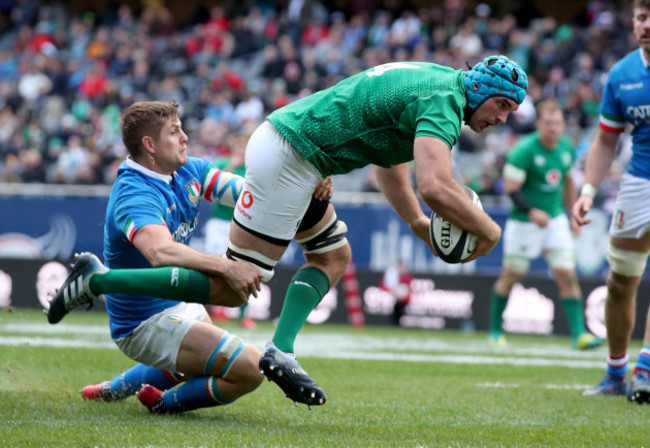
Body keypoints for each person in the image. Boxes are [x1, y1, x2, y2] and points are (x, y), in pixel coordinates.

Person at [224, 55, 528, 407]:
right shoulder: (444, 100)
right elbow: (435, 186)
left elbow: (388, 159)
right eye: (501, 105)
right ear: (479, 89)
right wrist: (491, 232)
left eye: (511, 110)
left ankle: (280, 350)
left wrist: (416, 221)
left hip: (302, 155)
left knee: (333, 257)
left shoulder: (440, 84)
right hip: (292, 156)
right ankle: (150, 304)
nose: (503, 119)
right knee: (234, 285)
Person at [46, 101, 264, 414]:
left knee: (196, 365)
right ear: (150, 145)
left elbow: (244, 191)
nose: (186, 137)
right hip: (142, 323)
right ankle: (163, 404)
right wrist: (228, 266)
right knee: (251, 369)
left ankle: (113, 389)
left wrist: (298, 192)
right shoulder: (135, 192)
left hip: (178, 300)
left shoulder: (187, 168)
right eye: (175, 132)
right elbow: (160, 252)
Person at [572, 0, 650, 403]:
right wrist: (587, 191)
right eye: (641, 17)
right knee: (620, 281)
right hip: (637, 184)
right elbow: (606, 141)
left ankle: (646, 371)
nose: (647, 24)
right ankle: (617, 373)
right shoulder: (622, 75)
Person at [488, 99, 604, 350]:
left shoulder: (566, 148)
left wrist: (573, 213)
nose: (553, 128)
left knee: (567, 274)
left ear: (563, 125)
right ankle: (496, 331)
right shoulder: (523, 151)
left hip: (554, 220)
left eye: (558, 123)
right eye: (548, 123)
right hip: (524, 222)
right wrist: (531, 211)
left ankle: (579, 335)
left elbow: (568, 181)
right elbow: (511, 189)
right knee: (512, 276)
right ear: (539, 124)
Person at [380, 260, 414, 326]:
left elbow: (408, 290)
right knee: (397, 305)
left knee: (399, 305)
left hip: (401, 298)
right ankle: (395, 323)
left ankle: (397, 323)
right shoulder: (392, 274)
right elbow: (386, 286)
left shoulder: (407, 277)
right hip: (392, 295)